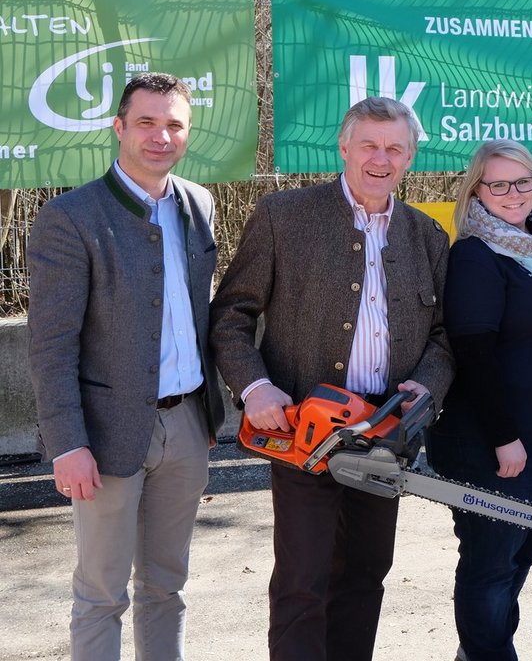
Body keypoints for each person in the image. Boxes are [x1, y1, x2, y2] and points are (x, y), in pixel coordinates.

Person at [209, 96, 453, 661]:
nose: (380, 159)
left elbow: (443, 335)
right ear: (344, 147)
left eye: (395, 148)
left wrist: (427, 387)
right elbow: (231, 315)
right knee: (302, 579)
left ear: (410, 157)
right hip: (304, 428)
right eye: (369, 145)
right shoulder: (284, 216)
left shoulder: (426, 236)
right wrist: (254, 386)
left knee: (366, 572)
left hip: (386, 430)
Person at [27, 72, 225, 661]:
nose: (161, 136)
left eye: (174, 125)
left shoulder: (200, 204)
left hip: (187, 425)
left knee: (167, 586)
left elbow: (200, 316)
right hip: (104, 434)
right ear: (118, 127)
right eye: (146, 122)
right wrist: (67, 443)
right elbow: (51, 344)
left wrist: (207, 416)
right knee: (101, 594)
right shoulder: (71, 216)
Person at [428, 140, 532, 661]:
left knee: (528, 545)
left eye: (522, 181)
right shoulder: (476, 255)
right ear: (477, 190)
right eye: (498, 184)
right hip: (493, 441)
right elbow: (474, 355)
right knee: (491, 562)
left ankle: (478, 649)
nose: (513, 193)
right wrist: (504, 438)